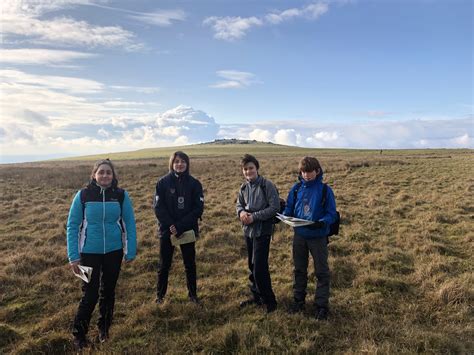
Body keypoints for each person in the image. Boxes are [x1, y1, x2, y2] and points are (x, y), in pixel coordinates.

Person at [66, 159, 137, 349]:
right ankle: (79, 334)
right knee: (89, 294)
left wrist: (130, 250)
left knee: (108, 291)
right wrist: (73, 256)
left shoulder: (121, 195)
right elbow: (73, 226)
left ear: (113, 176)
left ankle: (104, 329)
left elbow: (129, 223)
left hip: (114, 252)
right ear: (94, 175)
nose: (105, 175)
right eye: (101, 172)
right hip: (87, 254)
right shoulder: (83, 195)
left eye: (108, 172)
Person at [283, 156, 337, 320]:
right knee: (299, 270)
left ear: (317, 171)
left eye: (309, 172)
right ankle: (298, 301)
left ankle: (321, 306)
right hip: (299, 236)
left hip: (318, 237)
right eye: (303, 172)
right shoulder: (296, 189)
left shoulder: (325, 190)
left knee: (321, 271)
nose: (306, 175)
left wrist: (322, 223)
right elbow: (289, 208)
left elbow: (331, 213)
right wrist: (284, 217)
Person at [154, 151, 204, 304]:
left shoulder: (195, 184)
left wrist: (180, 226)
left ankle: (193, 295)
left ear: (187, 164)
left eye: (183, 161)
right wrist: (171, 226)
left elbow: (198, 209)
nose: (179, 164)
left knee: (190, 264)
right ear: (171, 164)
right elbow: (158, 207)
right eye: (176, 162)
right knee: (164, 265)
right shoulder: (162, 183)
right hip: (167, 231)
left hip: (187, 230)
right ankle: (160, 297)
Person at [236, 154, 280, 313]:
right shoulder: (243, 187)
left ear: (257, 168)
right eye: (245, 169)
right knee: (252, 265)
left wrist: (253, 217)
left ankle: (270, 302)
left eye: (251, 168)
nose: (248, 171)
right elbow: (239, 205)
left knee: (260, 268)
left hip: (263, 231)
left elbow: (274, 207)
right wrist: (241, 214)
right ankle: (256, 297)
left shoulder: (267, 185)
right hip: (248, 231)